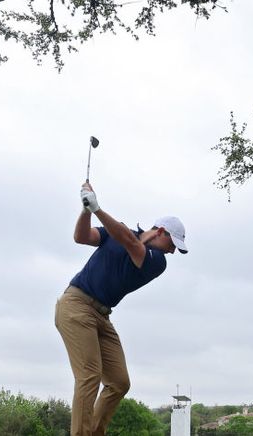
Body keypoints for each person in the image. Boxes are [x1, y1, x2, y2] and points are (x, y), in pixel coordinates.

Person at [57, 183, 187, 436]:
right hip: (76, 305)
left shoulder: (157, 261)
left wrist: (97, 208)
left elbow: (130, 242)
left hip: (102, 315)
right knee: (89, 376)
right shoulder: (118, 233)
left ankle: (94, 432)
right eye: (172, 243)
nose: (173, 250)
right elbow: (81, 237)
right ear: (160, 231)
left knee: (119, 382)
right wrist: (86, 209)